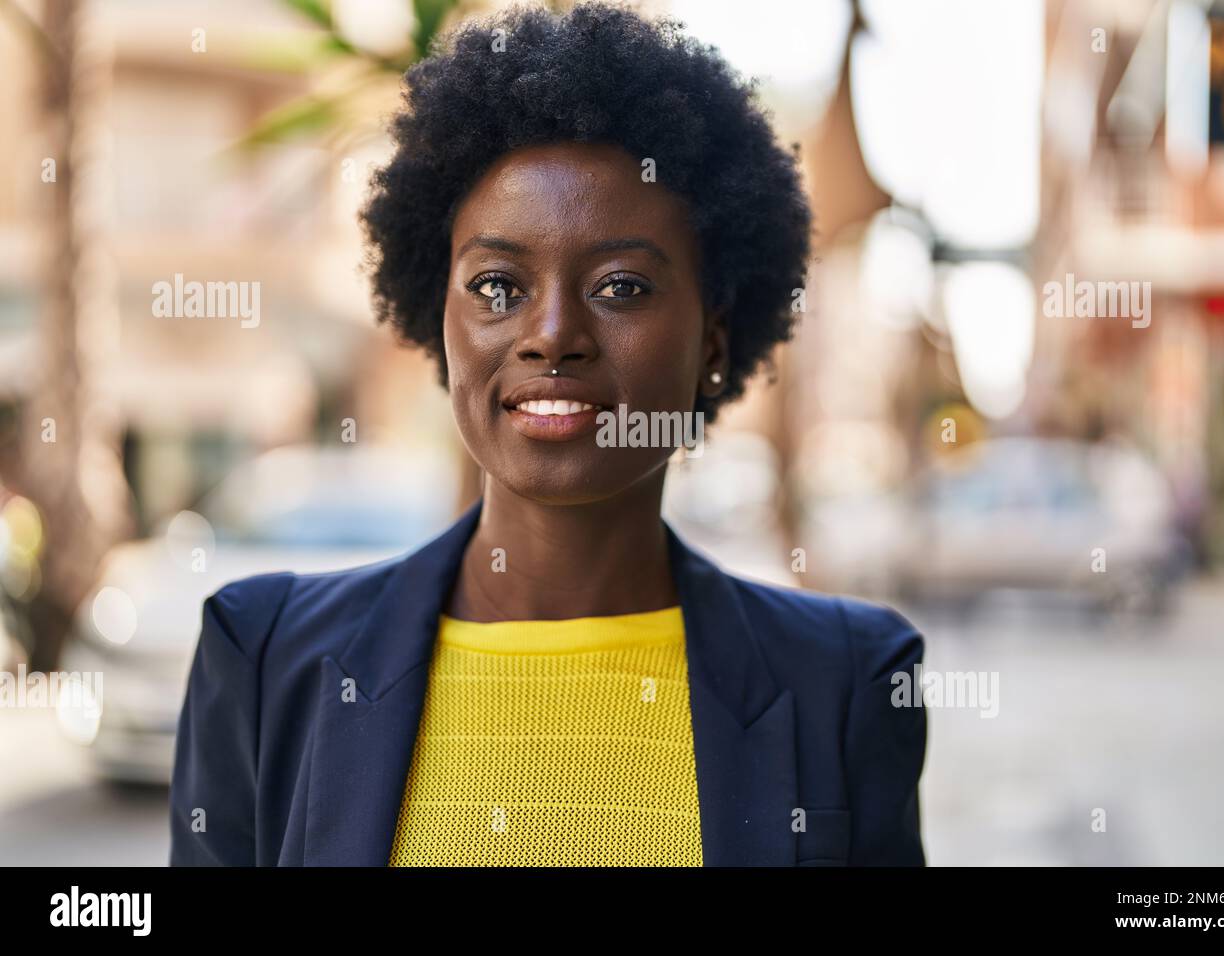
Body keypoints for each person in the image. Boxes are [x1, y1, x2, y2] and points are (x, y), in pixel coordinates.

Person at [169, 1, 926, 867]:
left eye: (623, 287)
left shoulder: (847, 681)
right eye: (496, 285)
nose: (551, 332)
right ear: (438, 318)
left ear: (712, 343)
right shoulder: (266, 657)